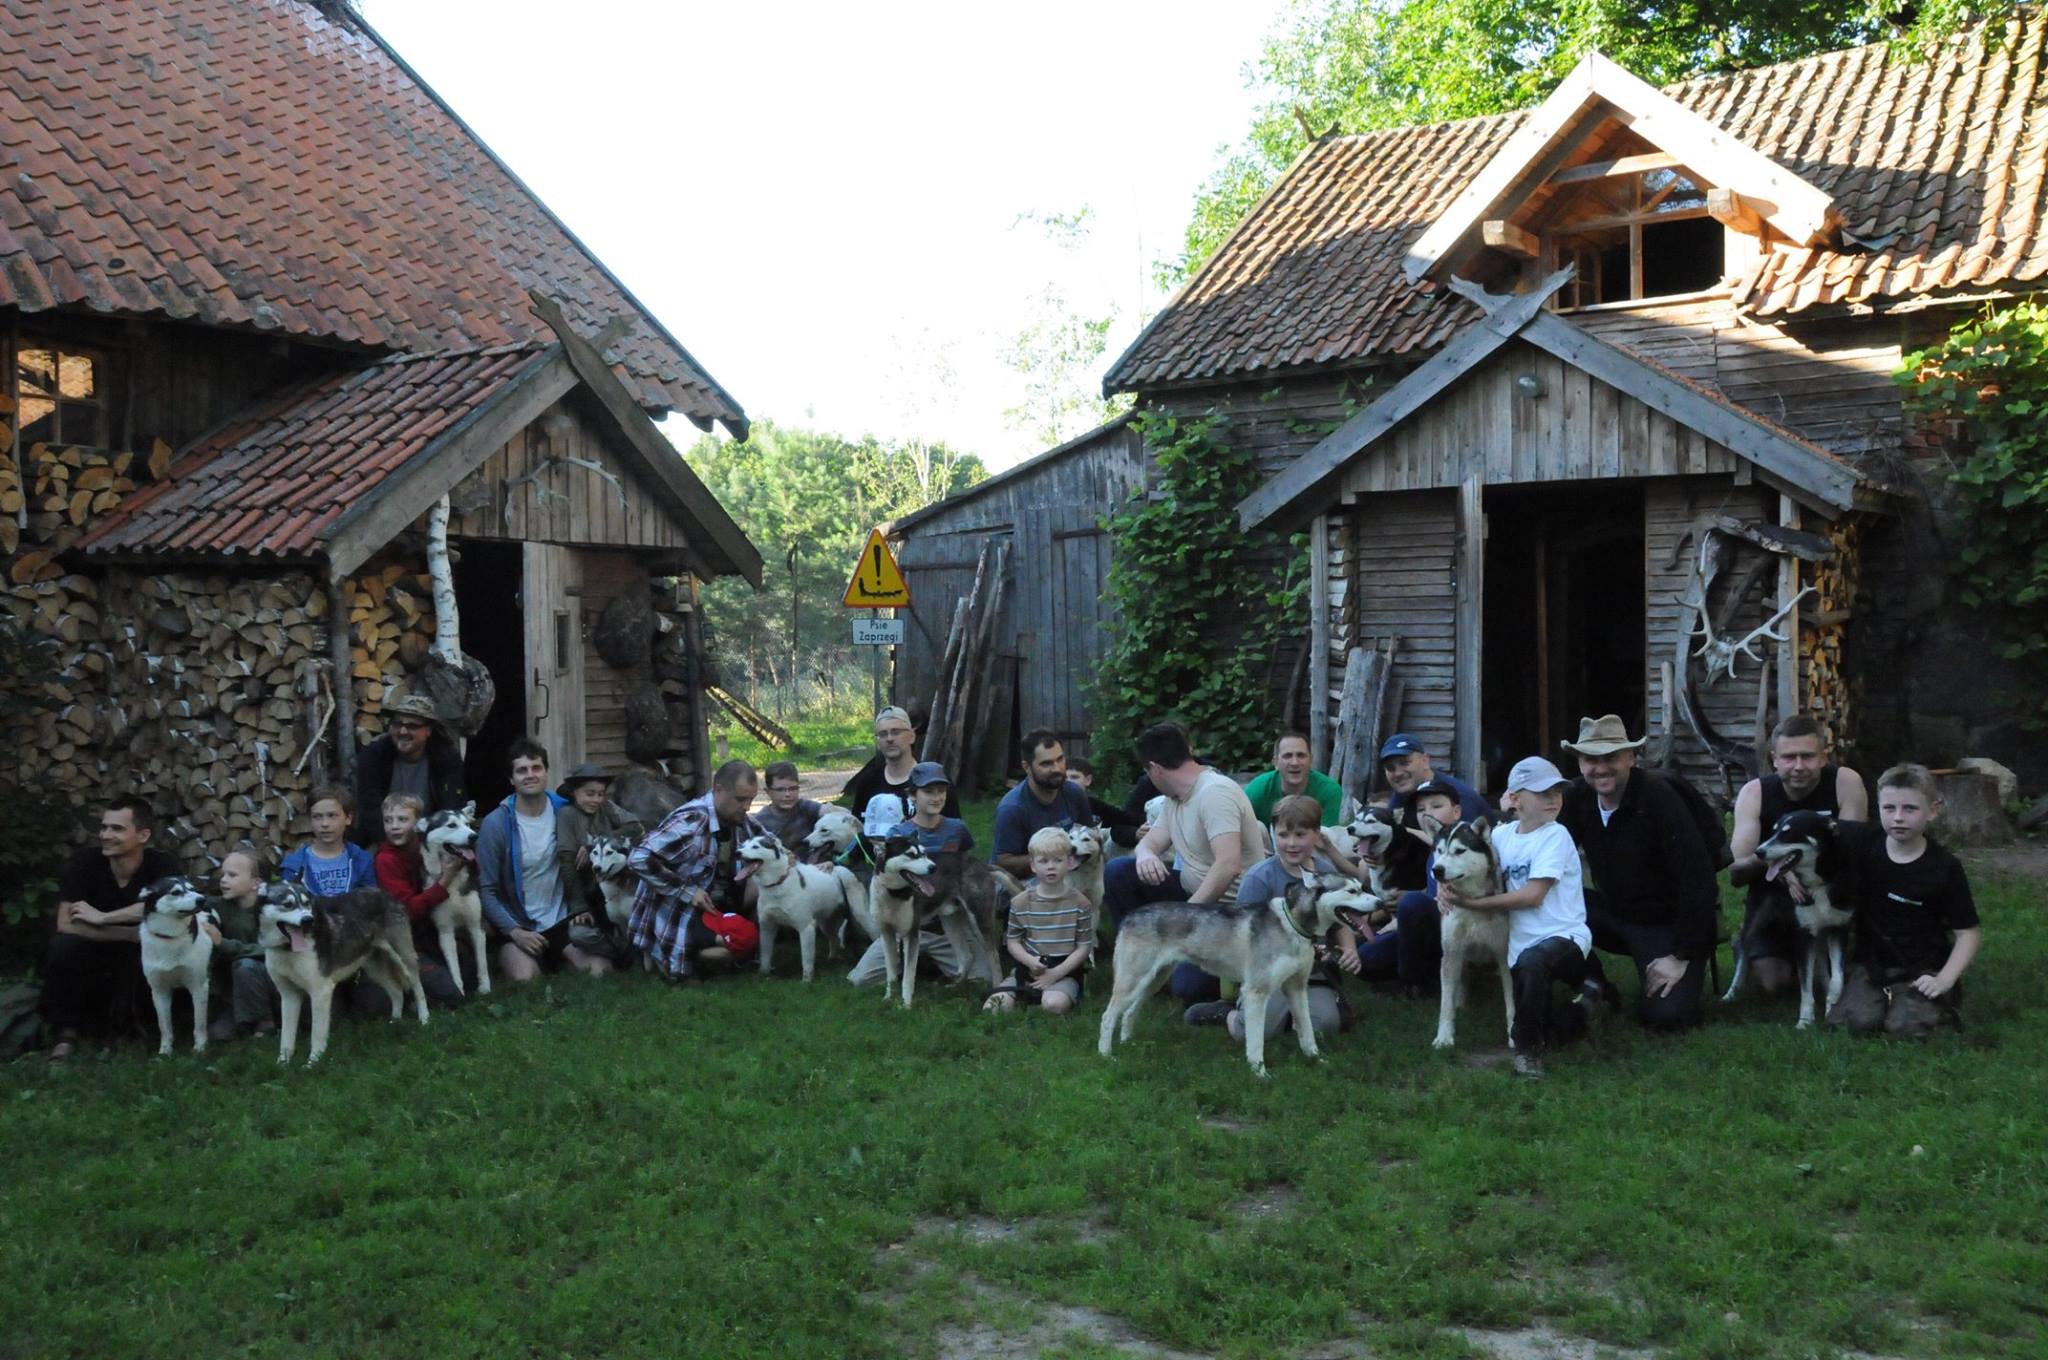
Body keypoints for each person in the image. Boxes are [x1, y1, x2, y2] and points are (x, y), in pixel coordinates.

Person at [1557, 714, 1718, 1032]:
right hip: (1614, 913)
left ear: (1631, 757)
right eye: (1591, 759)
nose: (1600, 768)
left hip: (1666, 923)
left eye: (1610, 758)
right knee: (1549, 904)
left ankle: (1675, 967)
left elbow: (1698, 878)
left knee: (1666, 1018)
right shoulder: (1577, 797)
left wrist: (1680, 955)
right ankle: (1593, 982)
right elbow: (1550, 857)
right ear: (1579, 763)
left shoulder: (1659, 798)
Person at [1437, 758, 1596, 1079]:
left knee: (1534, 966)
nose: (1553, 799)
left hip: (1562, 937)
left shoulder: (1557, 835)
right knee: (1555, 1020)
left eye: (1557, 791)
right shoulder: (1502, 836)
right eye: (1543, 792)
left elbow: (1532, 896)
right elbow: (1462, 854)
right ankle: (1588, 1003)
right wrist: (1444, 884)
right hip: (1519, 943)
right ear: (1516, 799)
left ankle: (1527, 1051)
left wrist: (1470, 903)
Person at [1102, 722, 1269, 1003]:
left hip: (1233, 914)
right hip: (1193, 896)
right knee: (1119, 871)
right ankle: (1140, 962)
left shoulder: (1215, 794)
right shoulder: (1175, 798)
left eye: (1145, 771)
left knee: (1189, 990)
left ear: (1155, 768)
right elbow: (1150, 841)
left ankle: (1219, 977)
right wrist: (1145, 855)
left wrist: (1183, 920)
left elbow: (1228, 865)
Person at [1186, 795, 1360, 1037]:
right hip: (1268, 973)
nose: (1291, 843)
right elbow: (1242, 934)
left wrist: (1349, 948)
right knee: (1257, 1032)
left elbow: (1340, 918)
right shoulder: (1260, 878)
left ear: (1317, 834)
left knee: (1326, 1026)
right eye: (1283, 835)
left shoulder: (1328, 874)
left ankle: (1293, 1014)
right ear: (1273, 833)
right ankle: (1230, 1014)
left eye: (1301, 835)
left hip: (1313, 971)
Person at [1827, 764, 1981, 1037]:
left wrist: (1945, 979)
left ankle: (1937, 1005)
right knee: (1856, 1023)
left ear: (1932, 810)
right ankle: (1876, 996)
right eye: (1889, 808)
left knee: (1904, 1027)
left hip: (1923, 966)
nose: (1898, 817)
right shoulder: (1863, 842)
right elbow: (1810, 831)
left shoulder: (1944, 867)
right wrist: (1789, 875)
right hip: (1872, 963)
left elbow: (1968, 933)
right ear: (1879, 807)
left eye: (1910, 809)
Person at [1728, 716, 1870, 996]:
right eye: (1789, 757)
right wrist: (1782, 865)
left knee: (1851, 978)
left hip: (1831, 896)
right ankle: (1756, 945)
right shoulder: (1754, 793)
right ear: (1775, 760)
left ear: (1823, 757)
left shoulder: (1846, 782)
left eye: (1807, 756)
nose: (1798, 766)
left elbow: (1854, 853)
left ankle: (1829, 957)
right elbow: (1736, 871)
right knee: (1773, 985)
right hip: (1776, 902)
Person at [39, 795, 180, 1060]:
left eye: (117, 828)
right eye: (104, 827)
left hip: (140, 955)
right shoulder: (86, 862)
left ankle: (130, 1030)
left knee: (148, 952)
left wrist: (103, 918)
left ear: (143, 835)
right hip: (93, 949)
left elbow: (163, 907)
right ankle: (65, 1032)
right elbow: (66, 923)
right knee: (63, 946)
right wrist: (127, 932)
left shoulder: (162, 864)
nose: (105, 834)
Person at [477, 740, 614, 983]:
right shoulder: (496, 824)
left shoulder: (567, 810)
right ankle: (529, 957)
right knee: (525, 979)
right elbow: (487, 890)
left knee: (601, 971)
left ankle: (561, 955)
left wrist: (592, 844)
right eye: (521, 770)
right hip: (519, 922)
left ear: (546, 772)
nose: (530, 775)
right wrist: (514, 932)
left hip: (561, 918)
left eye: (536, 768)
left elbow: (610, 828)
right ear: (511, 779)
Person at [628, 759, 769, 981]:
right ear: (718, 790)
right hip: (679, 909)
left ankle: (723, 953)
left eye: (751, 799)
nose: (747, 807)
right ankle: (679, 960)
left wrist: (790, 859)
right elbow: (638, 857)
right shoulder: (692, 821)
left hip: (716, 906)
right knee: (727, 949)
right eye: (741, 799)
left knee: (765, 881)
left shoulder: (740, 819)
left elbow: (772, 846)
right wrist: (686, 891)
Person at [1354, 778, 1465, 989]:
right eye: (1421, 809)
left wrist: (1408, 909)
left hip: (1456, 927)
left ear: (1457, 811)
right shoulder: (1430, 846)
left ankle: (1416, 983)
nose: (1427, 813)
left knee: (1412, 903)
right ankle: (1418, 974)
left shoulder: (1463, 847)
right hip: (1422, 923)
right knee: (1365, 959)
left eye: (1437, 806)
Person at [990, 730, 1141, 877]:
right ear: (1027, 767)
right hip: (1027, 882)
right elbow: (1003, 862)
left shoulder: (1074, 793)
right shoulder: (1013, 808)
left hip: (1071, 873)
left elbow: (1090, 835)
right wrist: (1053, 859)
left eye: (1060, 759)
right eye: (1046, 764)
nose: (1057, 769)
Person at [982, 825, 1094, 1015]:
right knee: (992, 1008)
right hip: (1027, 969)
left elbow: (1083, 947)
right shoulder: (1020, 902)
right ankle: (1025, 993)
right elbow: (1013, 941)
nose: (1051, 866)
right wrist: (1029, 961)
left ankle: (1055, 993)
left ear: (1070, 863)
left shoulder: (1081, 903)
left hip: (1064, 972)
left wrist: (1055, 974)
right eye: (1043, 861)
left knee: (1053, 1005)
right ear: (1033, 865)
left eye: (1058, 860)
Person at [373, 793, 473, 1003]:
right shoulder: (386, 859)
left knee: (468, 976)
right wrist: (445, 880)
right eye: (388, 820)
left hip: (430, 934)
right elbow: (407, 911)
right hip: (405, 940)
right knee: (450, 995)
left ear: (419, 824)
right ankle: (410, 990)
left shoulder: (425, 846)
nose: (394, 826)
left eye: (402, 819)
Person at [350, 693, 465, 845]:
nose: (403, 731)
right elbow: (370, 810)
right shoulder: (374, 756)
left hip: (432, 841)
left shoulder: (446, 759)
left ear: (428, 731)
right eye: (397, 724)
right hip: (384, 838)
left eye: (412, 726)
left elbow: (452, 806)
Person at [840, 707, 958, 834]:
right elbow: (857, 833)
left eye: (896, 732)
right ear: (878, 743)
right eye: (883, 734)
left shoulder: (935, 779)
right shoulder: (867, 783)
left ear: (912, 736)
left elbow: (954, 834)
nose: (889, 738)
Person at [552, 763, 644, 924]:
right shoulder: (567, 815)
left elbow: (636, 827)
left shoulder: (606, 807)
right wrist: (579, 907)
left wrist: (596, 845)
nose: (596, 800)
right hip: (587, 890)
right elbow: (567, 863)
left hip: (616, 887)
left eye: (600, 794)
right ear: (574, 793)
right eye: (590, 794)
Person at [210, 844, 270, 1041]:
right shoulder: (217, 905)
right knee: (219, 1035)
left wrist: (223, 943)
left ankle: (266, 1022)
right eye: (223, 874)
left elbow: (270, 950)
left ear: (256, 882)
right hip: (236, 991)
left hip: (274, 983)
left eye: (232, 875)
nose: (224, 881)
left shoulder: (272, 908)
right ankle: (247, 1023)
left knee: (246, 966)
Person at [280, 786, 377, 895]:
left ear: (348, 818)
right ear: (310, 821)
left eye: (332, 816)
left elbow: (372, 903)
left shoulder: (361, 860)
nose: (324, 824)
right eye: (317, 817)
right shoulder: (294, 865)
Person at [1242, 731, 1347, 826]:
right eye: (1287, 756)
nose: (1295, 763)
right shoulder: (1259, 789)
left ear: (1311, 760)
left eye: (1301, 755)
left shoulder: (1330, 791)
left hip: (1315, 844)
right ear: (1275, 762)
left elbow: (1329, 839)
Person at [889, 763, 974, 854]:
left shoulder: (957, 828)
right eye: (928, 792)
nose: (936, 798)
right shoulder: (898, 834)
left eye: (941, 791)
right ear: (912, 794)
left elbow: (965, 862)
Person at [755, 760, 825, 853]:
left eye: (793, 789)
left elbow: (830, 812)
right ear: (768, 792)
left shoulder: (804, 807)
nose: (788, 794)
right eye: (780, 790)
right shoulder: (760, 821)